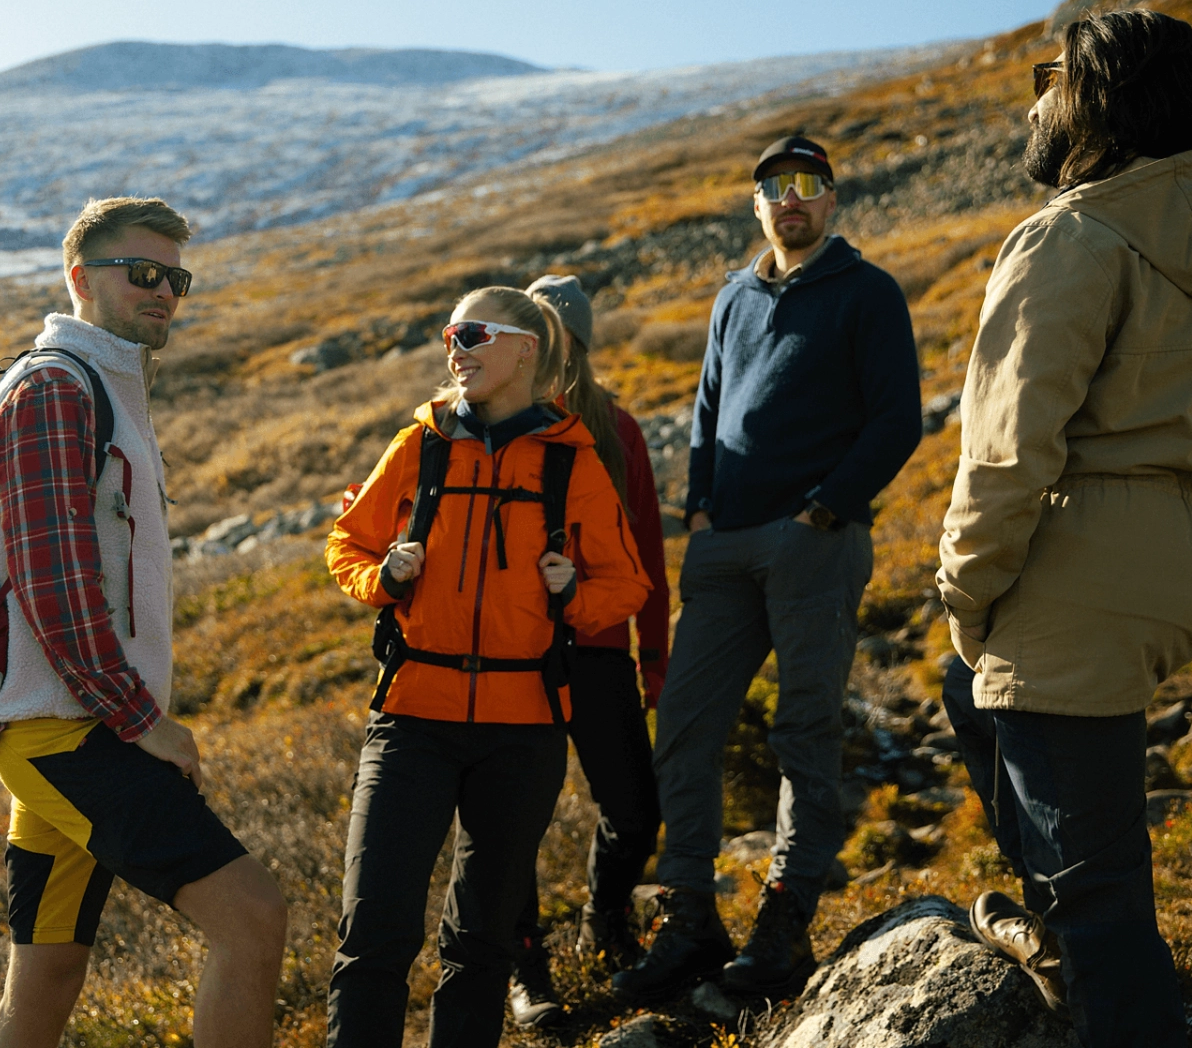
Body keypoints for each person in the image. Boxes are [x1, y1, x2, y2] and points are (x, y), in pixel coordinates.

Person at [937, 10, 1192, 1048]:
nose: (1036, 96)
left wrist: (964, 589)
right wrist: (1184, 522)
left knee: (1096, 886)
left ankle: (1090, 964)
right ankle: (1058, 925)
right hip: (1185, 573)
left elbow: (1007, 454)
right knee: (974, 696)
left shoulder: (1071, 234)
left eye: (1052, 76)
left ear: (1102, 102)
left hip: (1074, 573)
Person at [613, 136, 922, 1004]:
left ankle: (783, 921)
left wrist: (824, 508)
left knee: (803, 731)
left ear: (832, 200)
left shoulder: (867, 293)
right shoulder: (733, 298)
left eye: (807, 186)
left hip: (811, 545)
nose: (790, 200)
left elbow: (898, 420)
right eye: (774, 188)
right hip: (722, 550)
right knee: (683, 726)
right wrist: (700, 509)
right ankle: (689, 915)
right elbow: (708, 409)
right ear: (758, 206)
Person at [0, 197, 287, 1048]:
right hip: (69, 733)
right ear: (79, 277)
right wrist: (142, 719)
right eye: (142, 272)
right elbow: (52, 581)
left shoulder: (106, 384)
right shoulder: (50, 389)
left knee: (44, 977)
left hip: (70, 724)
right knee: (254, 917)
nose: (163, 292)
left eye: (175, 279)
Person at [324, 286, 653, 1048]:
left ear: (526, 347)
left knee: (480, 946)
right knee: (372, 934)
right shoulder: (421, 445)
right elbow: (347, 542)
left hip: (523, 730)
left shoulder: (574, 461)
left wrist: (573, 593)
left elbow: (627, 585)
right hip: (410, 719)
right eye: (449, 334)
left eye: (473, 333)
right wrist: (386, 578)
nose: (456, 348)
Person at [503, 275, 669, 1028]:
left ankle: (605, 920)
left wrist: (654, 656)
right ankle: (525, 962)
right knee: (510, 819)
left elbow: (647, 555)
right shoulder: (496, 428)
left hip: (598, 648)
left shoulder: (617, 429)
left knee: (635, 810)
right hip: (517, 657)